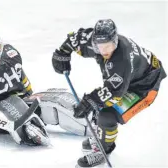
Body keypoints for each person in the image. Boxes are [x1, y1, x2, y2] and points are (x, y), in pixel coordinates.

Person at [52, 19, 166, 167]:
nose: (105, 51)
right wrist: (62, 53)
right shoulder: (93, 41)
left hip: (145, 86)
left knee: (107, 114)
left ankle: (103, 149)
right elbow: (75, 39)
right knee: (99, 105)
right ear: (94, 41)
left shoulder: (121, 60)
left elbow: (114, 93)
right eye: (101, 46)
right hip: (129, 78)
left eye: (109, 46)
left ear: (116, 40)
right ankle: (102, 134)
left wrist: (90, 101)